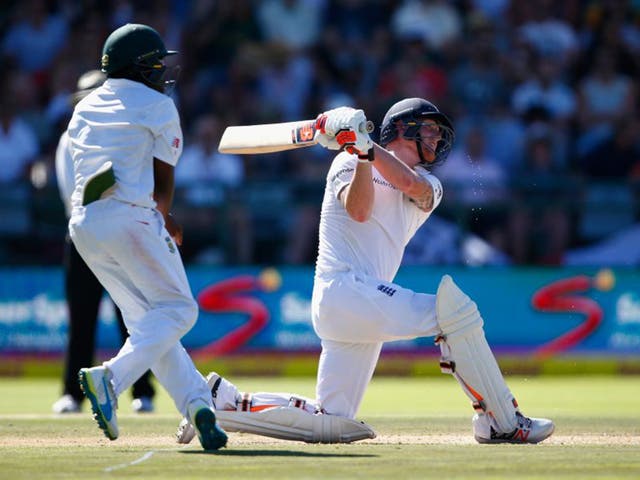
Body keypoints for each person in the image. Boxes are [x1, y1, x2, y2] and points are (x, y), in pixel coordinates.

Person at [178, 98, 554, 445]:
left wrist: (365, 147)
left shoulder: (431, 185)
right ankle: (502, 422)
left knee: (334, 422)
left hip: (362, 302)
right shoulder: (345, 162)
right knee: (455, 312)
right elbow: (359, 211)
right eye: (429, 128)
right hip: (342, 289)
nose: (437, 138)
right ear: (403, 128)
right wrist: (358, 154)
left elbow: (411, 185)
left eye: (439, 132)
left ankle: (220, 403)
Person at [67, 23, 227, 450]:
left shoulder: (84, 107)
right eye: (155, 62)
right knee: (179, 310)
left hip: (84, 226)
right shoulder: (158, 105)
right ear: (137, 66)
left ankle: (198, 406)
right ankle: (111, 379)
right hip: (130, 218)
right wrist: (168, 220)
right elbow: (163, 187)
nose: (161, 70)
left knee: (148, 323)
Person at [52, 69, 155, 415]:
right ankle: (72, 393)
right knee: (82, 319)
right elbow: (77, 197)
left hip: (122, 235)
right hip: (84, 237)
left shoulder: (122, 138)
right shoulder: (70, 140)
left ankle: (143, 391)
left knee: (133, 316)